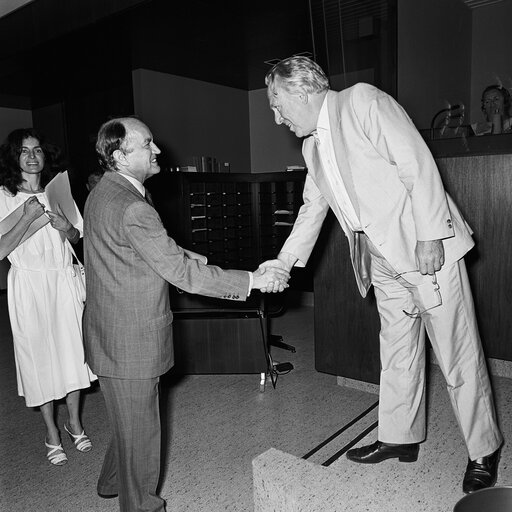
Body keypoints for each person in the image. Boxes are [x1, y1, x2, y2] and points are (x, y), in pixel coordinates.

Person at [260, 56, 503, 494]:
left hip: (424, 248)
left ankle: (484, 449)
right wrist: (283, 261)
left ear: (302, 90)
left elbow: (417, 163)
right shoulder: (312, 147)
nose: (277, 117)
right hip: (380, 258)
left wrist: (431, 235)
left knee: (456, 351)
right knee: (396, 350)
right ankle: (399, 437)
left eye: (278, 104)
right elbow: (312, 209)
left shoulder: (362, 103)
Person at [83, 116, 288, 512]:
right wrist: (252, 281)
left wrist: (195, 257)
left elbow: (139, 252)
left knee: (128, 418)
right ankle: (142, 505)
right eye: (147, 144)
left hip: (107, 330)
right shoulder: (132, 206)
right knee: (142, 430)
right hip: (131, 338)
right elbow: (180, 274)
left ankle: (112, 482)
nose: (157, 150)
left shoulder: (104, 192)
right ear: (120, 155)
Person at [0, 128, 96, 466]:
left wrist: (64, 227)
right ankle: (51, 432)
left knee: (73, 354)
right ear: (14, 157)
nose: (31, 155)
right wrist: (27, 218)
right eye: (23, 150)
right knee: (38, 357)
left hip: (63, 280)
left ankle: (75, 423)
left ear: (45, 156)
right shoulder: (3, 195)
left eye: (37, 149)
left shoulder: (57, 190)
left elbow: (76, 236)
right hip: (29, 285)